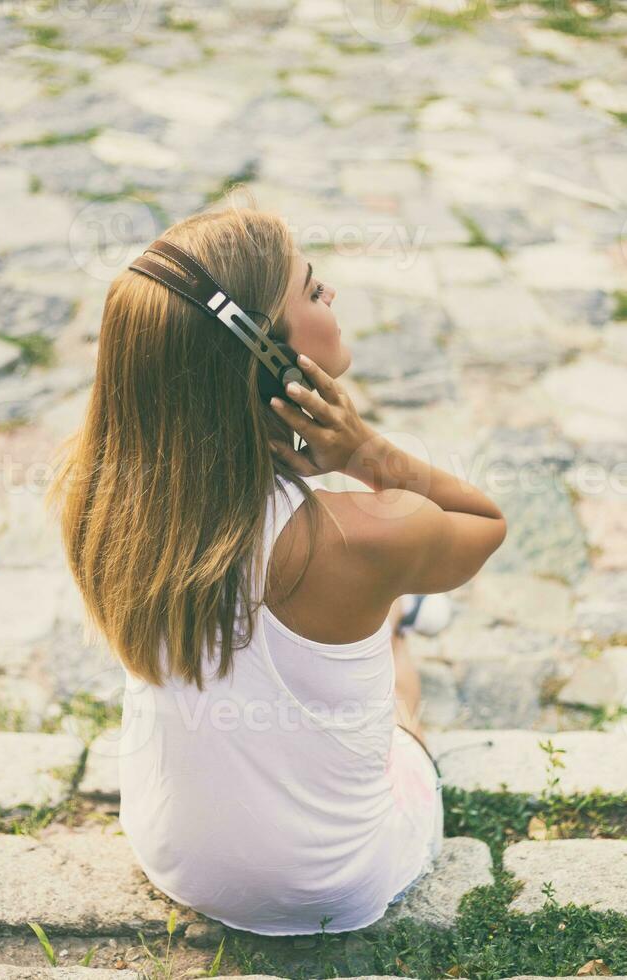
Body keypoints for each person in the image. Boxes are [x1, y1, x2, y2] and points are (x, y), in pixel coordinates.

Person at [46, 199, 507, 936]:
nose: (333, 296)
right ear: (266, 353)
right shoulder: (365, 534)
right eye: (314, 287)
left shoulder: (99, 497)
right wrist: (366, 453)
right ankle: (398, 620)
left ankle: (387, 609)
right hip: (336, 886)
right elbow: (485, 525)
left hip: (175, 857)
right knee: (394, 673)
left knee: (341, 611)